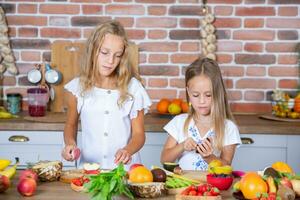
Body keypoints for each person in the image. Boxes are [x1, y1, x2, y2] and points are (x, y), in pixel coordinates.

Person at [61, 20, 152, 169]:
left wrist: (127, 150)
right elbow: (71, 124)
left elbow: (139, 134)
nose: (110, 61)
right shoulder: (77, 88)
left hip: (125, 171)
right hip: (89, 170)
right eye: (105, 52)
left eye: (117, 55)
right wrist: (70, 143)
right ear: (93, 49)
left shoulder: (133, 88)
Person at [160, 57, 241, 170]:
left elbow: (226, 166)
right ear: (188, 91)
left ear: (218, 93)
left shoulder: (228, 128)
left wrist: (210, 157)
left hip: (212, 187)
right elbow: (164, 159)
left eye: (208, 95)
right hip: (184, 186)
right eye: (196, 95)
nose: (202, 101)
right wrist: (182, 146)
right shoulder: (179, 122)